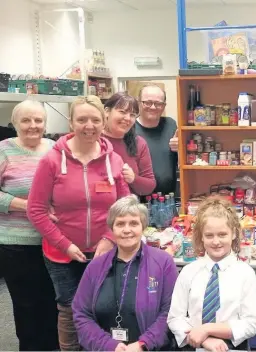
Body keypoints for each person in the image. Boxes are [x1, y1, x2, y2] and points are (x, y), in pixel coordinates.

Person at [27, 95, 131, 351]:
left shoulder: (113, 160)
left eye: (95, 119)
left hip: (104, 251)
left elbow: (125, 208)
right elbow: (36, 209)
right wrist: (64, 245)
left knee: (104, 306)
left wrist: (109, 239)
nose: (89, 125)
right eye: (82, 119)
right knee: (71, 309)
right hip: (62, 255)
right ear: (71, 122)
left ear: (103, 121)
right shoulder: (52, 161)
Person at [72, 195, 178, 351]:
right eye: (120, 224)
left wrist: (143, 344)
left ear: (143, 227)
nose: (127, 230)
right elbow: (81, 314)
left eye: (134, 223)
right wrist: (108, 345)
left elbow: (170, 312)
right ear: (112, 228)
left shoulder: (163, 263)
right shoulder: (95, 267)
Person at [0, 100, 59, 351]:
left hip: (54, 242)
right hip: (17, 244)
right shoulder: (4, 150)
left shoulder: (55, 149)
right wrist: (29, 206)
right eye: (26, 120)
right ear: (14, 124)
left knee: (54, 303)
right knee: (26, 306)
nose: (33, 126)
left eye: (38, 120)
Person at [167, 197, 256, 351]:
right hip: (194, 344)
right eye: (209, 235)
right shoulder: (189, 272)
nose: (216, 241)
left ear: (234, 234)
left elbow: (250, 323)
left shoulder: (245, 273)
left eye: (222, 234)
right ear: (201, 237)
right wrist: (205, 340)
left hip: (230, 345)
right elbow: (175, 318)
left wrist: (207, 329)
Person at [103, 92, 156, 195]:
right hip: (99, 208)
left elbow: (149, 186)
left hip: (128, 209)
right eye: (122, 112)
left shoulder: (139, 143)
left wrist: (133, 179)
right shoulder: (94, 140)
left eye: (132, 115)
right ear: (107, 111)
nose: (127, 118)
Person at [135, 84, 178, 196]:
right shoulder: (129, 129)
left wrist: (181, 148)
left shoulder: (171, 124)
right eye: (148, 102)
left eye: (158, 103)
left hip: (167, 199)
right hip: (138, 201)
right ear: (139, 102)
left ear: (164, 106)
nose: (153, 107)